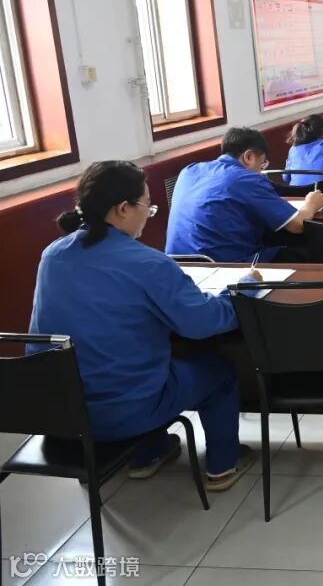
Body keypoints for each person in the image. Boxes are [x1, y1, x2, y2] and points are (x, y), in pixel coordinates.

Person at [29, 161, 260, 489]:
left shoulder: (53, 254)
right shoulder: (148, 264)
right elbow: (203, 322)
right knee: (219, 372)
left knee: (134, 362)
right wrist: (243, 289)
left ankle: (149, 453)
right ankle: (223, 465)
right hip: (124, 410)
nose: (148, 215)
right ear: (123, 208)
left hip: (61, 411)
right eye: (147, 207)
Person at [166, 128, 323, 263]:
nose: (260, 172)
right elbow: (298, 225)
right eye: (262, 164)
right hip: (227, 267)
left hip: (178, 266)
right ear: (248, 157)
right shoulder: (245, 178)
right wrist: (311, 203)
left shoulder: (188, 171)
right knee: (308, 253)